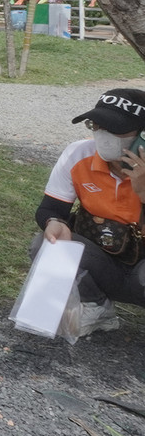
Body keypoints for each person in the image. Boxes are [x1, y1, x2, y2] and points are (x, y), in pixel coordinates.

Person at [35, 88, 145, 335]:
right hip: (103, 257)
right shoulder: (79, 154)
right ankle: (96, 307)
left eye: (114, 128)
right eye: (95, 125)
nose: (102, 135)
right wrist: (54, 222)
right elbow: (50, 208)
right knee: (44, 244)